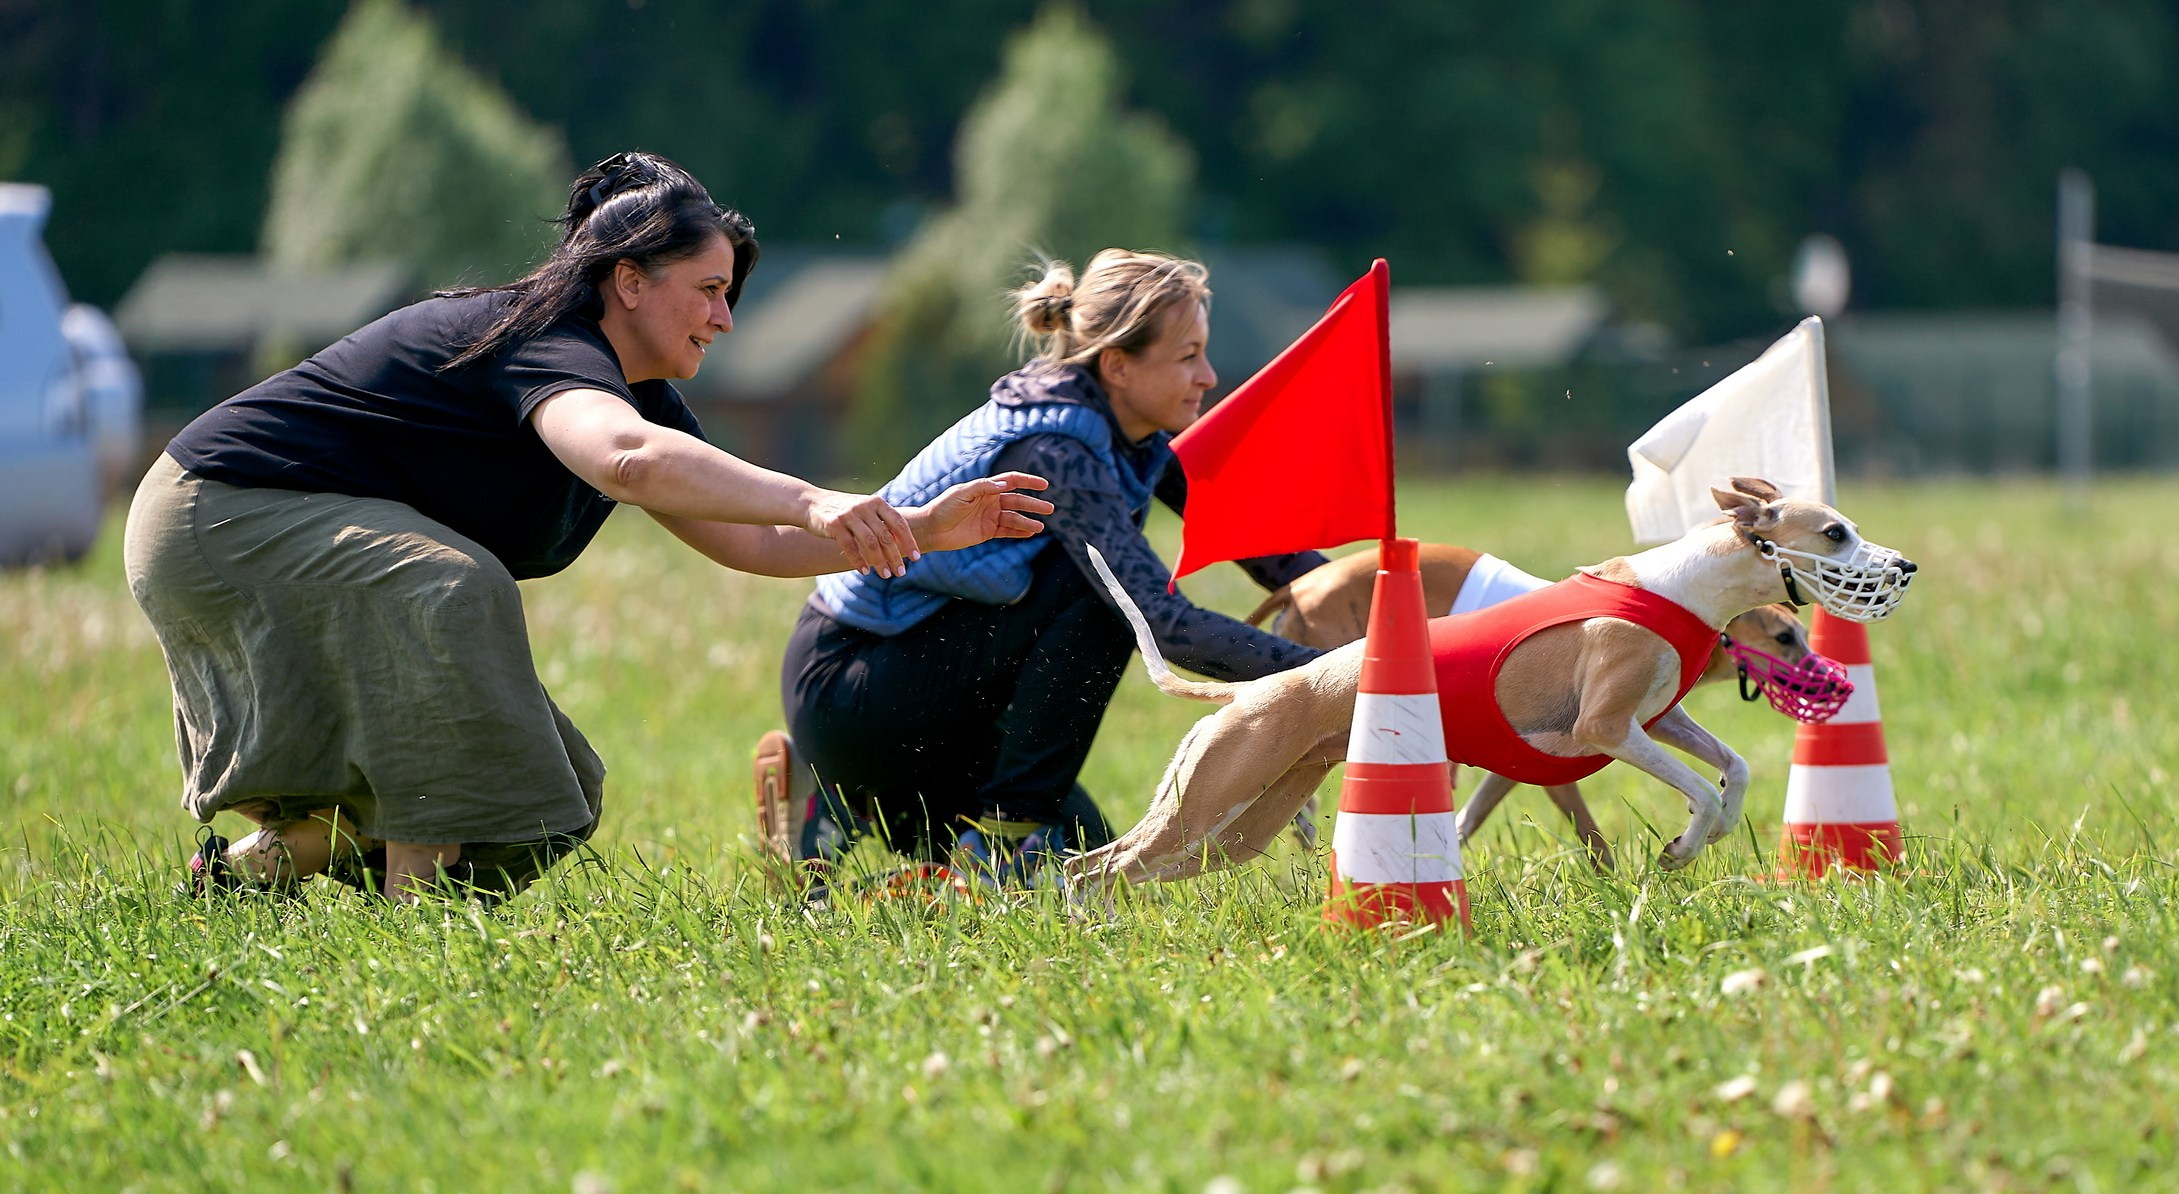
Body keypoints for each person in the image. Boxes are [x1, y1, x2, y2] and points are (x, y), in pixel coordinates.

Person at [128, 152, 1051, 902]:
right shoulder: (545, 341)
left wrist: (918, 532)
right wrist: (813, 495)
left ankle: (241, 879)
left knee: (548, 791)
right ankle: (413, 923)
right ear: (629, 281)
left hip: (257, 521)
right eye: (710, 289)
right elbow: (624, 459)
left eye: (731, 295)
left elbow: (753, 541)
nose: (726, 319)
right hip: (223, 511)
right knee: (450, 589)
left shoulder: (637, 396)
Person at [756, 249, 1324, 891]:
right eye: (1188, 356)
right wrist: (1333, 676)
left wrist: (1380, 620)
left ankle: (832, 804)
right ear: (1117, 366)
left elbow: (1266, 549)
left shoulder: (1131, 430)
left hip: (916, 695)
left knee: (1085, 854)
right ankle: (994, 839)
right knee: (1107, 596)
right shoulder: (1053, 448)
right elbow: (1162, 623)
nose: (1209, 376)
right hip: (856, 687)